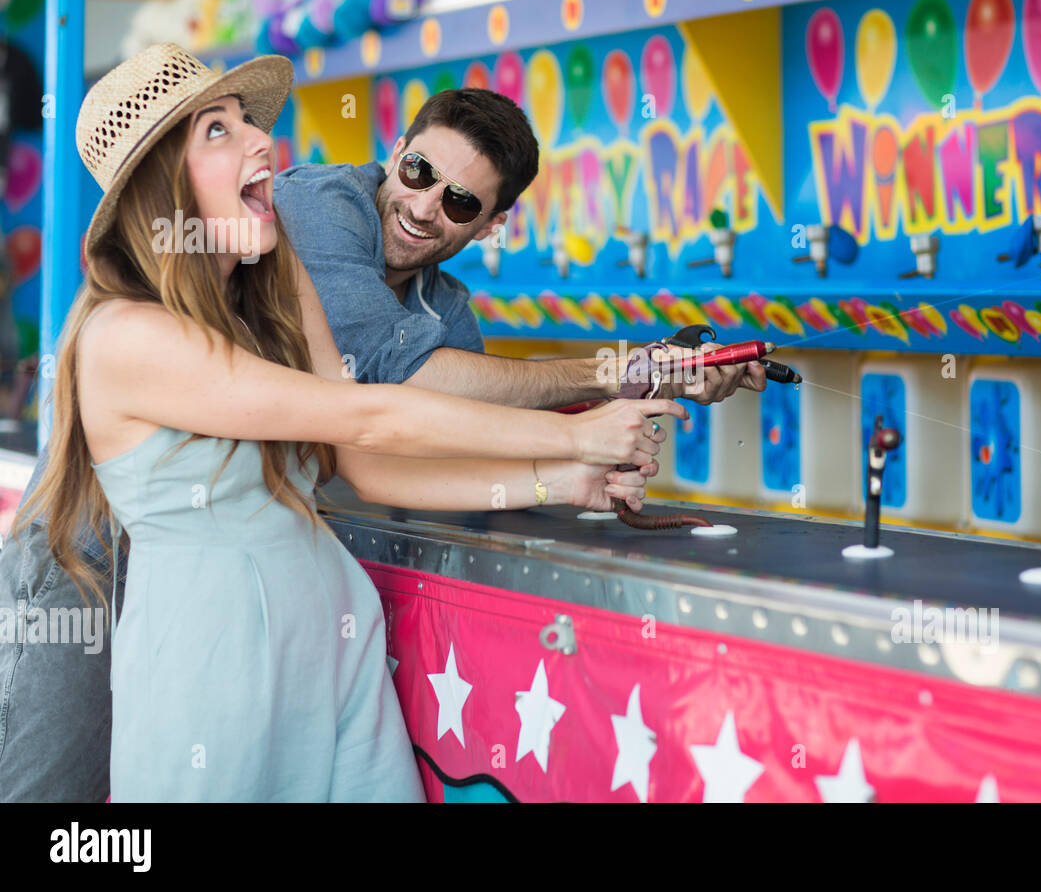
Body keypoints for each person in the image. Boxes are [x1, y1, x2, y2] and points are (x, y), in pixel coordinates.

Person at [1, 43, 684, 801]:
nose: (264, 140)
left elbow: (362, 461)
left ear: (492, 222)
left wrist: (562, 479)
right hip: (175, 632)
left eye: (462, 202)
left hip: (330, 633)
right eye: (217, 131)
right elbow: (371, 414)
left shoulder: (280, 275)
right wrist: (580, 425)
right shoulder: (128, 333)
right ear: (163, 186)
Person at [272, 85, 768, 406]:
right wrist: (620, 371)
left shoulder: (446, 309)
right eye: (418, 172)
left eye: (461, 203)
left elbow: (473, 424)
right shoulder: (320, 202)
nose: (423, 208)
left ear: (490, 225)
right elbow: (391, 363)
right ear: (397, 152)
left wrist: (646, 385)